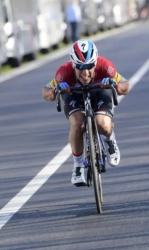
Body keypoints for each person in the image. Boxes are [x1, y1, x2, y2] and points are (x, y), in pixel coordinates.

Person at [42, 40, 130, 186]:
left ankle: (109, 140)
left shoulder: (105, 66)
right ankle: (78, 165)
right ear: (72, 64)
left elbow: (126, 85)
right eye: (80, 67)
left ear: (95, 62)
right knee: (77, 125)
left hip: (99, 93)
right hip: (74, 95)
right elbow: (45, 92)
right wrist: (55, 91)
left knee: (103, 125)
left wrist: (115, 85)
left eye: (89, 67)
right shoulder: (63, 72)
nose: (85, 73)